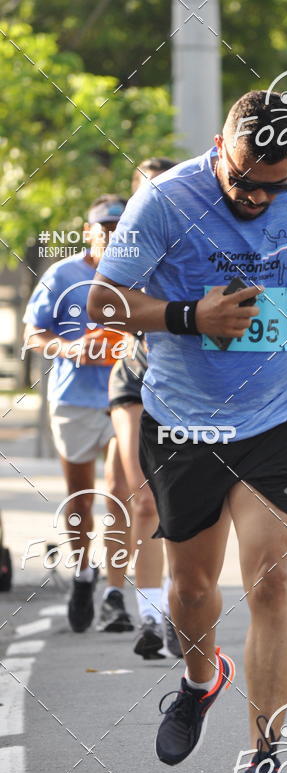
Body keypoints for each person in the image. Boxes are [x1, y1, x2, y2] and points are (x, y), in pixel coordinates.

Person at [89, 90, 287, 773]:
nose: (254, 197)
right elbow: (104, 303)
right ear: (219, 146)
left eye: (271, 184)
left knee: (271, 584)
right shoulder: (166, 201)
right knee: (191, 593)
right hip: (182, 424)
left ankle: (262, 764)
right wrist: (188, 316)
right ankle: (200, 677)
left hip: (276, 421)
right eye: (241, 180)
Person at [23, 196, 135, 634]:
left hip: (124, 397)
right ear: (88, 231)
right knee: (80, 499)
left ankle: (114, 594)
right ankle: (85, 572)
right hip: (74, 398)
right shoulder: (64, 274)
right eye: (104, 227)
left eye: (120, 226)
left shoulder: (140, 273)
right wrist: (69, 347)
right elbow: (34, 335)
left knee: (122, 495)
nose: (111, 233)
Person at [107, 157, 179, 660]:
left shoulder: (200, 239)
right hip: (134, 376)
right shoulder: (125, 246)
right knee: (145, 496)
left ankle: (181, 607)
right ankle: (149, 617)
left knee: (191, 506)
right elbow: (102, 304)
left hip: (186, 383)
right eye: (145, 188)